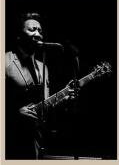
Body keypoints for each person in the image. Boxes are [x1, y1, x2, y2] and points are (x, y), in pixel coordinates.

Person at [5, 13, 77, 159]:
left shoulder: (42, 67)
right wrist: (13, 114)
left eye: (40, 31)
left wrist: (64, 97)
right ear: (19, 35)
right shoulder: (4, 61)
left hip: (36, 142)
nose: (38, 34)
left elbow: (44, 106)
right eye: (32, 30)